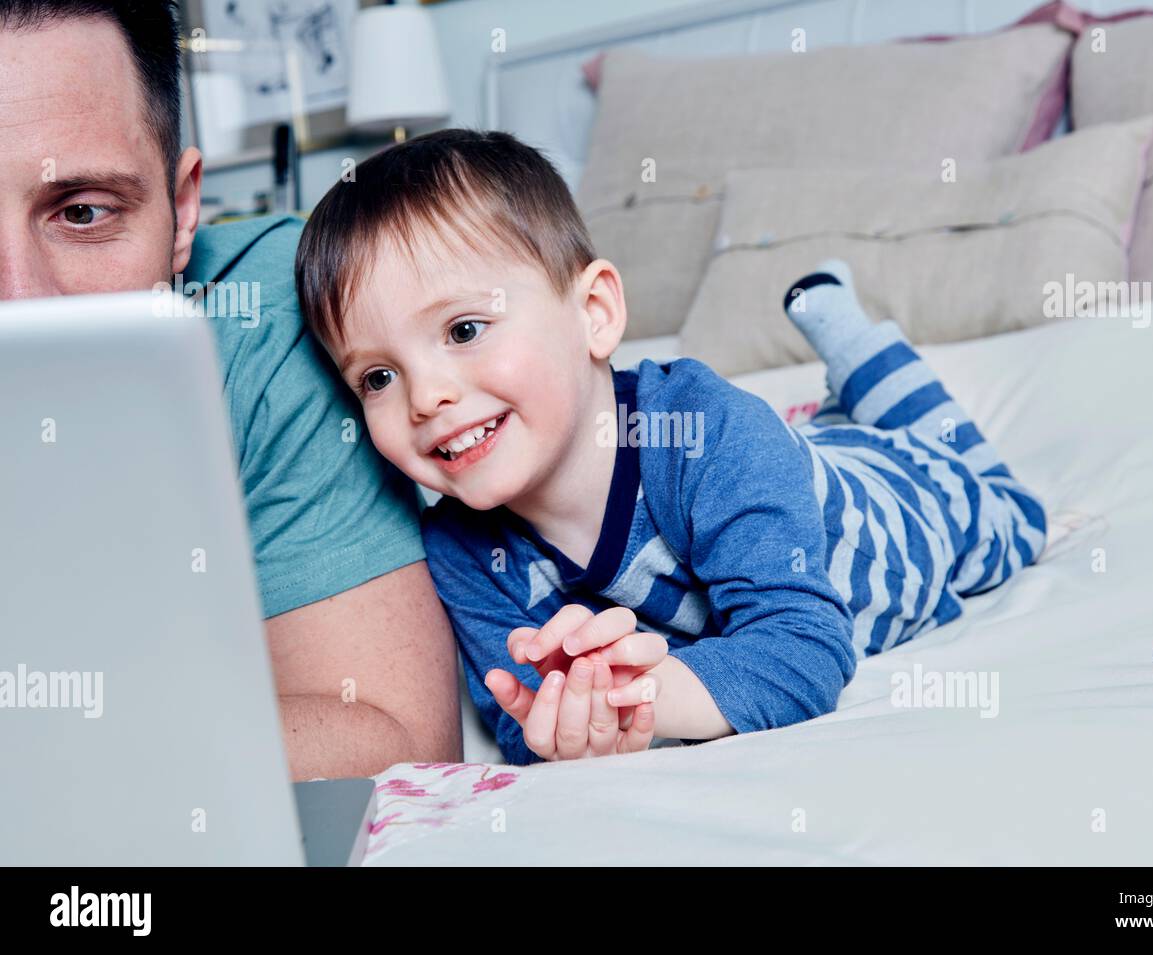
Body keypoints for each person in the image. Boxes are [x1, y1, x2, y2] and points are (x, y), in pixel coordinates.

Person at [294, 129, 1048, 766]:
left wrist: (637, 701)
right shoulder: (460, 552)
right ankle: (827, 414)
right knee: (810, 438)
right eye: (379, 376)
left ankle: (852, 339)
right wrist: (571, 726)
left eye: (463, 331)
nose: (426, 398)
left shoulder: (708, 433)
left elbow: (802, 651)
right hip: (781, 463)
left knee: (998, 503)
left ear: (594, 314)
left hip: (891, 508)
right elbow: (524, 727)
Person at [0, 0, 462, 777]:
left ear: (184, 213)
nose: (18, 305)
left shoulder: (275, 319)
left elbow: (394, 741)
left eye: (82, 212)